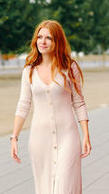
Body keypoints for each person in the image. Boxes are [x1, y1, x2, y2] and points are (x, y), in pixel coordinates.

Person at [10, 20, 91, 194]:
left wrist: (86, 135)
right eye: (40, 37)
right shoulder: (29, 71)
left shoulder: (70, 68)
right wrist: (14, 138)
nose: (43, 41)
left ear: (57, 42)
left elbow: (79, 102)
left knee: (65, 188)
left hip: (68, 137)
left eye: (49, 38)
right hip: (39, 140)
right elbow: (23, 105)